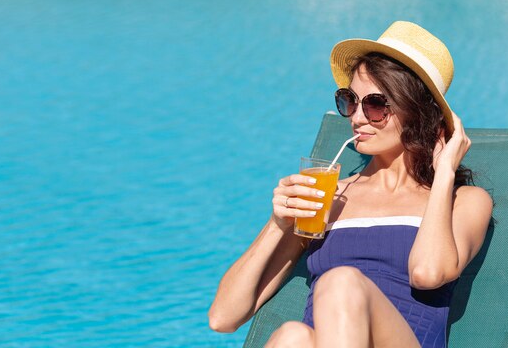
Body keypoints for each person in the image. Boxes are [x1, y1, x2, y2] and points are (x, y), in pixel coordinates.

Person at [208, 21, 493, 348]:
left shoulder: (464, 200)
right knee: (292, 336)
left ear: (417, 111)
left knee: (340, 282)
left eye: (375, 104)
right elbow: (223, 318)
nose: (357, 117)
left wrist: (443, 174)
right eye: (349, 101)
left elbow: (427, 273)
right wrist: (277, 224)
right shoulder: (328, 196)